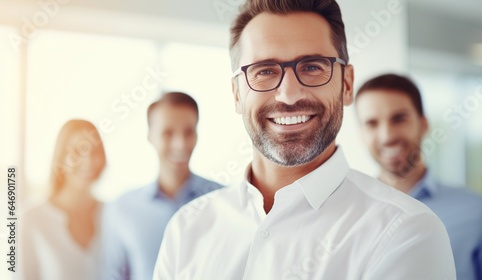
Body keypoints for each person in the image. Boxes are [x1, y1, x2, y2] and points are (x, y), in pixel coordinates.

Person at [153, 1, 456, 279]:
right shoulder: (187, 229)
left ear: (347, 84)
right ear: (236, 94)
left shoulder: (406, 231)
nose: (289, 95)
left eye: (312, 67)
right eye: (265, 71)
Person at [355, 73, 482, 280]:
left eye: (399, 119)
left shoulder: (481, 213)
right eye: (372, 123)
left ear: (423, 124)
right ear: (361, 133)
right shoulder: (350, 214)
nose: (387, 136)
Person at [100, 91, 223, 280]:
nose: (180, 144)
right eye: (168, 133)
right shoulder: (122, 209)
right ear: (150, 136)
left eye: (188, 132)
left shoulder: (223, 201)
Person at [18, 119, 106, 280]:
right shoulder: (30, 219)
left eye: (94, 151)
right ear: (60, 157)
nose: (88, 160)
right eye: (78, 151)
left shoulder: (113, 215)